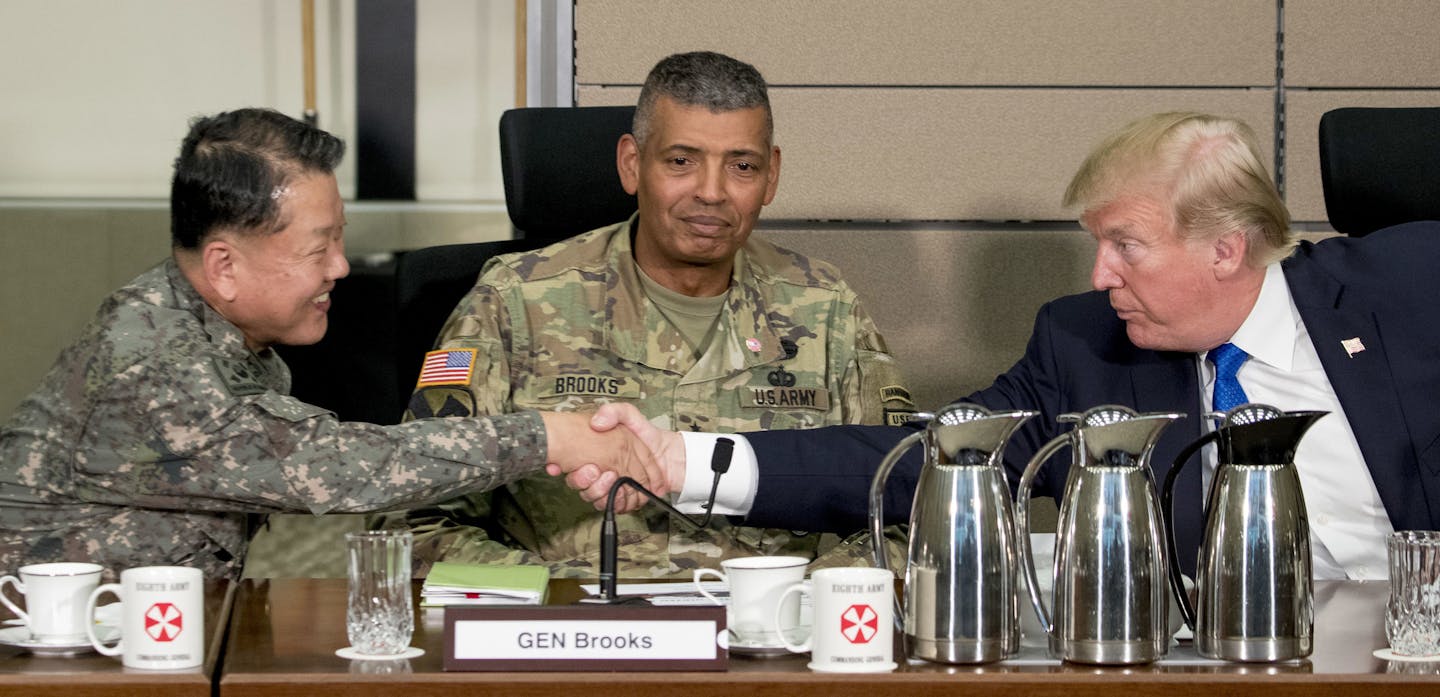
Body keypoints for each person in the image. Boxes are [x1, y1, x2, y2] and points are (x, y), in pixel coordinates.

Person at [572, 111, 1440, 581]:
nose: (1100, 275)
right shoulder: (1086, 344)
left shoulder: (1409, 287)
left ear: (1225, 247)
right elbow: (918, 458)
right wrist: (681, 461)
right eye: (1095, 242)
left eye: (1126, 245)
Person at [0, 108, 659, 580]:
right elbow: (340, 465)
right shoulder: (153, 365)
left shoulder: (207, 322)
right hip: (48, 654)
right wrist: (548, 435)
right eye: (320, 247)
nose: (341, 267)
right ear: (226, 265)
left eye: (340, 239)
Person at [397, 51, 915, 578]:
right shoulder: (515, 301)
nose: (711, 192)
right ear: (631, 163)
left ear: (771, 175)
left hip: (768, 638)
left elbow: (908, 505)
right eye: (681, 161)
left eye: (742, 166)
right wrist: (558, 598)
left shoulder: (825, 307)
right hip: (573, 640)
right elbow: (413, 520)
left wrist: (807, 598)